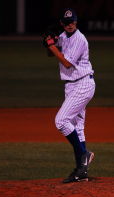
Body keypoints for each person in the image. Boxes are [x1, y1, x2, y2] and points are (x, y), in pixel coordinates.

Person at [43, 8, 96, 183]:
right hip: (72, 86)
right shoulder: (64, 37)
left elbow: (66, 62)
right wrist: (50, 43)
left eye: (72, 21)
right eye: (67, 22)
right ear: (62, 24)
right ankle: (81, 173)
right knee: (78, 128)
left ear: (76, 21)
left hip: (82, 84)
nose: (70, 25)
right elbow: (52, 55)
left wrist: (52, 45)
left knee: (61, 121)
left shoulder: (80, 39)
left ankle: (84, 154)